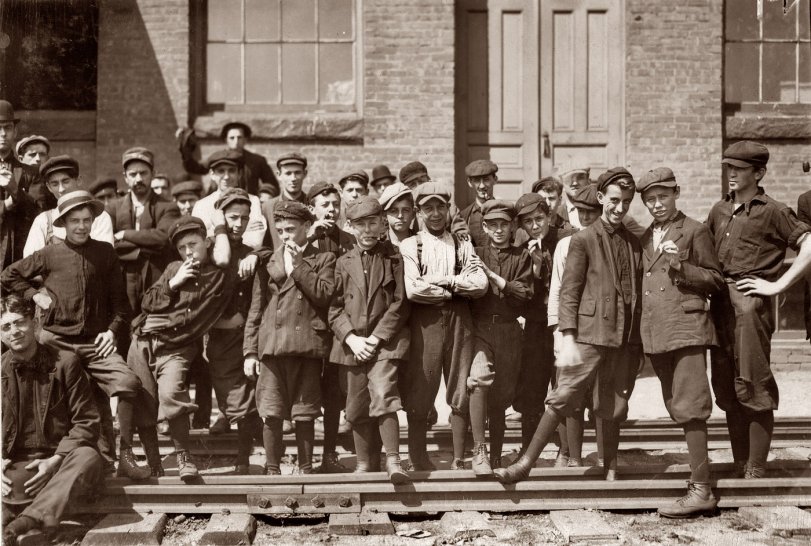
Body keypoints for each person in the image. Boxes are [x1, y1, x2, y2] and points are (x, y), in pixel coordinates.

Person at [495, 167, 642, 484]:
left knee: (611, 404)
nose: (619, 208)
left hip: (620, 336)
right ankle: (526, 464)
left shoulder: (632, 241)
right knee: (563, 397)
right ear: (602, 198)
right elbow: (569, 294)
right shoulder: (582, 240)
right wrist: (569, 337)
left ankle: (611, 467)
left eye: (626, 202)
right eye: (614, 200)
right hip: (588, 336)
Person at [2, 190, 150, 480]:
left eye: (86, 220)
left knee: (129, 382)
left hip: (95, 344)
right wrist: (34, 295)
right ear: (63, 224)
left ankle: (125, 454)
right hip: (56, 341)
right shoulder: (49, 253)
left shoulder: (105, 253)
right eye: (75, 221)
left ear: (93, 221)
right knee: (61, 394)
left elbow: (121, 304)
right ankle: (59, 457)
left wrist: (111, 332)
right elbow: (8, 275)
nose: (81, 226)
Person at [707, 141, 811, 479]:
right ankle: (740, 464)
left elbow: (808, 244)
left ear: (759, 172)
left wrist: (778, 285)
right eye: (729, 167)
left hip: (750, 308)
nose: (732, 173)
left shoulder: (773, 210)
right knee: (725, 386)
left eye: (739, 168)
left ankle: (755, 469)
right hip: (720, 306)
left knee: (752, 383)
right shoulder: (719, 210)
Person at [636, 167, 724, 517]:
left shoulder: (695, 230)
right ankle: (699, 480)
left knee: (691, 406)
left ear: (676, 194)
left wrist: (679, 265)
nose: (657, 205)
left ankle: (702, 489)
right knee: (676, 405)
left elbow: (715, 279)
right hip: (657, 332)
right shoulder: (644, 236)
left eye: (663, 197)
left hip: (686, 328)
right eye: (650, 200)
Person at [125, 215, 236, 480]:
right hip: (143, 341)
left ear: (207, 242)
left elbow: (226, 258)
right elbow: (148, 303)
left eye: (193, 244)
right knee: (144, 400)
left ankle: (184, 456)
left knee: (172, 394)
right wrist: (174, 283)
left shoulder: (220, 275)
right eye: (183, 247)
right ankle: (154, 462)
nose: (189, 252)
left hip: (177, 347)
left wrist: (220, 226)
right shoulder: (175, 267)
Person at [1, 295, 104, 546]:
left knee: (89, 457)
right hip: (21, 464)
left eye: (20, 322)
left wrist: (54, 461)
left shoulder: (65, 364)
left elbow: (87, 421)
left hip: (63, 460)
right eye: (6, 327)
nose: (14, 331)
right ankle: (34, 530)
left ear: (34, 323)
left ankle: (23, 523)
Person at [399, 182, 488, 471]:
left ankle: (460, 458)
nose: (435, 214)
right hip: (426, 322)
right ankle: (418, 458)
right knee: (421, 387)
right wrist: (453, 291)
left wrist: (447, 281)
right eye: (428, 208)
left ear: (449, 209)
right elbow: (413, 289)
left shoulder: (462, 244)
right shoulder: (411, 245)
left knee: (461, 386)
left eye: (441, 207)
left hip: (460, 321)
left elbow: (480, 284)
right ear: (418, 212)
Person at [244, 201, 336, 475]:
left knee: (304, 412)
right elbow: (256, 309)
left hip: (306, 345)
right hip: (272, 347)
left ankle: (306, 469)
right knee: (271, 411)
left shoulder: (324, 259)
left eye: (292, 229)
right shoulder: (268, 261)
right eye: (281, 230)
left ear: (307, 227)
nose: (286, 236)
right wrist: (250, 351)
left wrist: (298, 267)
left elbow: (323, 295)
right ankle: (272, 470)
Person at [328, 196, 411, 483]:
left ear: (382, 223)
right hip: (352, 346)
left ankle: (393, 460)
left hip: (385, 343)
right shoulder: (342, 263)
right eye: (360, 224)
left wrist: (375, 338)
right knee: (356, 404)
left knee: (384, 393)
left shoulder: (395, 258)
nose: (367, 230)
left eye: (372, 222)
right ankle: (365, 463)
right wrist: (350, 338)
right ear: (349, 227)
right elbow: (334, 308)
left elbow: (400, 303)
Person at [467, 200, 533, 474]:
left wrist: (496, 279)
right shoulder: (475, 252)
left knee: (502, 396)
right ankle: (479, 451)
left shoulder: (522, 256)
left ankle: (495, 457)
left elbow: (524, 293)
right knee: (480, 380)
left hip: (509, 329)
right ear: (484, 226)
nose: (498, 230)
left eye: (503, 224)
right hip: (481, 328)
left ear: (513, 226)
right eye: (492, 224)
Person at [206, 188, 269, 474]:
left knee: (245, 398)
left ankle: (244, 459)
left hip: (244, 337)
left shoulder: (248, 253)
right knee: (231, 402)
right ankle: (262, 445)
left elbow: (270, 253)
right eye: (233, 217)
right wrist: (220, 323)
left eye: (244, 219)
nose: (238, 224)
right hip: (217, 339)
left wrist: (257, 255)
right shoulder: (209, 251)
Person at [546, 184, 602, 467]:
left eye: (592, 213)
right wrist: (558, 331)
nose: (586, 218)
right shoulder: (565, 245)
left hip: (600, 329)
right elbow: (557, 289)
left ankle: (604, 458)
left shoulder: (608, 242)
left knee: (600, 395)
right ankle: (571, 455)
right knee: (569, 393)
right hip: (572, 328)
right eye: (581, 212)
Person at [306, 181, 355, 473]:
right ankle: (307, 458)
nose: (331, 210)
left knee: (336, 393)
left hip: (339, 324)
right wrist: (307, 240)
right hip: (310, 326)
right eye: (325, 205)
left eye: (335, 205)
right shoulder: (304, 238)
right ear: (312, 209)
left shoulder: (348, 239)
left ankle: (330, 455)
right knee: (310, 393)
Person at [107, 147, 180, 316]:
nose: (138, 179)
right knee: (123, 326)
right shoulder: (113, 208)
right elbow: (109, 243)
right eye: (133, 174)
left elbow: (163, 238)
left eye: (143, 173)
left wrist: (124, 234)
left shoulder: (168, 207)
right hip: (123, 278)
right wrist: (146, 244)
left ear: (153, 174)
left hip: (157, 276)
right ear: (125, 177)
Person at [510, 193, 555, 456]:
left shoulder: (563, 240)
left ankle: (567, 450)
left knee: (563, 388)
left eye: (539, 219)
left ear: (549, 216)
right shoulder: (521, 248)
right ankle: (529, 449)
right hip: (536, 323)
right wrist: (534, 269)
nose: (535, 226)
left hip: (562, 324)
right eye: (528, 222)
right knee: (533, 386)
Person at [23, 156, 115, 257]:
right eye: (55, 184)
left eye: (66, 181)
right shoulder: (43, 221)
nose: (61, 189)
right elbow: (30, 263)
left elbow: (104, 259)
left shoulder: (100, 217)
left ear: (78, 180)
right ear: (49, 187)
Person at [177, 121, 279, 197]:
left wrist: (266, 193)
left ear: (245, 139)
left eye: (239, 137)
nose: (236, 141)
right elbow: (195, 168)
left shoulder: (257, 161)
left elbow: (271, 183)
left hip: (247, 203)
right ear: (226, 140)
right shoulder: (216, 158)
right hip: (218, 202)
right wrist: (185, 149)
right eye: (232, 138)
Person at [192, 150, 267, 249]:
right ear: (212, 174)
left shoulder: (253, 201)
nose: (226, 176)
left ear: (239, 174)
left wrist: (212, 230)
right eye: (221, 171)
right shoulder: (201, 205)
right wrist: (243, 229)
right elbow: (197, 239)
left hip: (243, 259)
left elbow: (255, 240)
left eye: (231, 170)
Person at [0, 101, 40, 268]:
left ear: (15, 131)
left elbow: (39, 212)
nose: (2, 133)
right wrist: (5, 205)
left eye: (7, 128)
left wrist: (15, 190)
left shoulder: (30, 173)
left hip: (18, 257)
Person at [262, 152, 309, 251]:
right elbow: (263, 245)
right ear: (279, 175)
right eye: (288, 173)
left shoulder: (312, 205)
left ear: (305, 174)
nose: (293, 178)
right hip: (278, 264)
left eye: (297, 173)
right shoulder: (267, 207)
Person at [451, 160, 499, 247]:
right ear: (469, 182)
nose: (482, 186)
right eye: (477, 181)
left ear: (495, 180)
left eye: (486, 180)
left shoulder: (506, 213)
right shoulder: (463, 216)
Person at [15, 135, 54, 214]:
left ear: (48, 158)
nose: (38, 159)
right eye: (32, 155)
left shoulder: (54, 181)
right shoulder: (13, 180)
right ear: (20, 159)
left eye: (42, 154)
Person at [379, 182, 417, 248]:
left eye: (406, 210)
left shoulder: (421, 244)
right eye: (393, 211)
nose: (400, 216)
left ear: (413, 214)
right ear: (385, 215)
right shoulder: (378, 245)